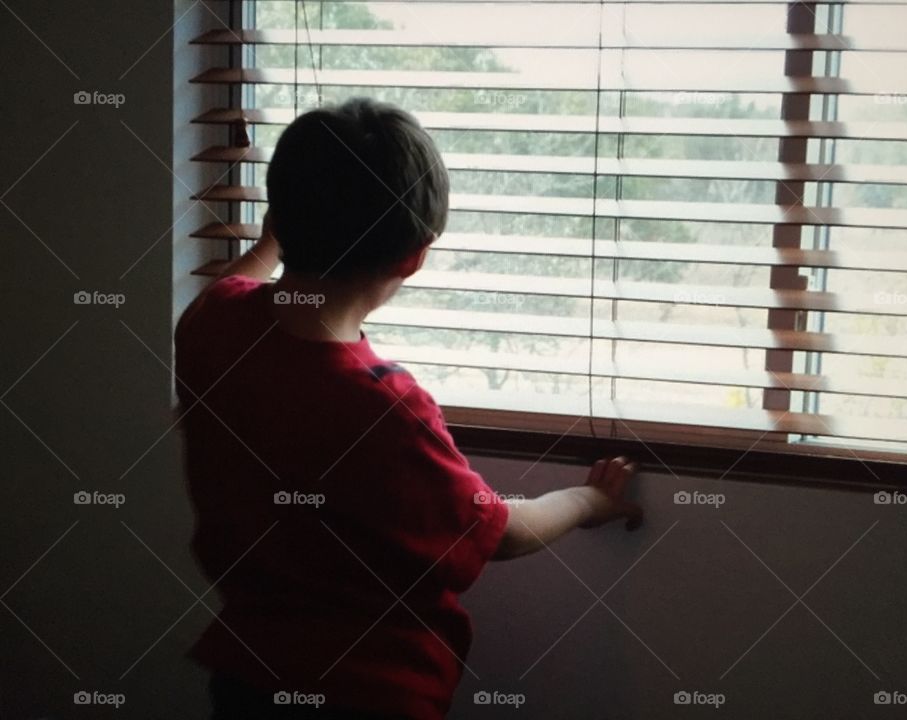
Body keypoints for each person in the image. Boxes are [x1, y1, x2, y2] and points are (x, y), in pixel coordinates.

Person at [175, 97, 643, 720]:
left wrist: (273, 241)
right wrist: (590, 501)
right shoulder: (383, 411)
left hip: (247, 680)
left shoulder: (212, 324)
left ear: (280, 217)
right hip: (370, 696)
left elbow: (234, 285)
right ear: (414, 257)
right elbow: (497, 531)